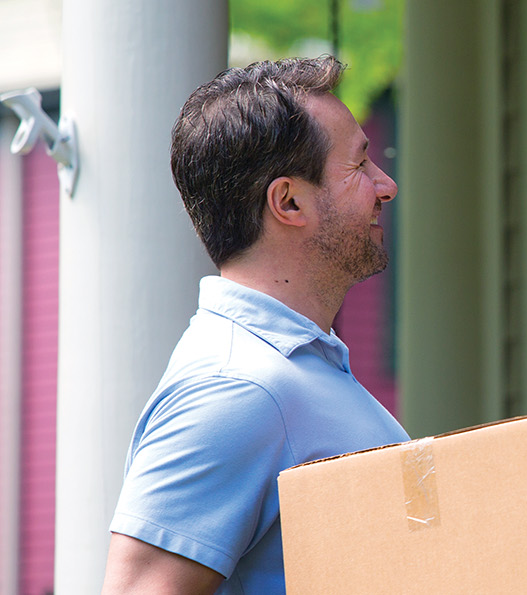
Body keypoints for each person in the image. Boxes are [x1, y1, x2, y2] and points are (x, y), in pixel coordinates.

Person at [101, 56, 409, 594]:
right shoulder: (235, 388)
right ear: (288, 201)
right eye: (360, 166)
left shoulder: (301, 369)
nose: (387, 186)